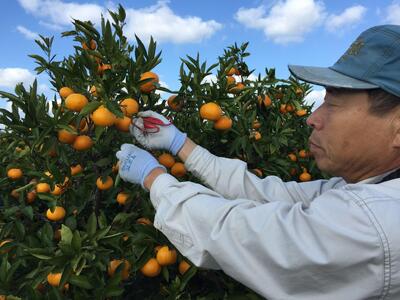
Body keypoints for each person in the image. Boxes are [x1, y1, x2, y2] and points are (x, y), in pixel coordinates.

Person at [116, 25, 400, 299]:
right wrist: (180, 143)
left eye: (334, 104)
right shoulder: (363, 188)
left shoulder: (375, 224)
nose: (313, 117)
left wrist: (153, 176)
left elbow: (234, 234)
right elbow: (267, 194)